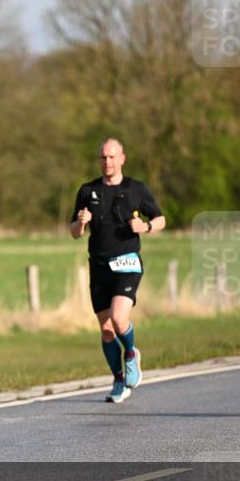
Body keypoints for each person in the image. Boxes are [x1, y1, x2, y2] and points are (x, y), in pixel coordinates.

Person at [70, 138, 166, 403]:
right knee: (106, 330)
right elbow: (74, 233)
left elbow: (160, 219)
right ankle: (119, 380)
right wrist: (81, 223)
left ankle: (131, 354)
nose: (107, 162)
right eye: (102, 157)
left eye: (111, 157)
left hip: (127, 261)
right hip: (99, 265)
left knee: (119, 318)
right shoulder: (87, 191)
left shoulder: (136, 189)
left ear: (122, 158)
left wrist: (145, 228)